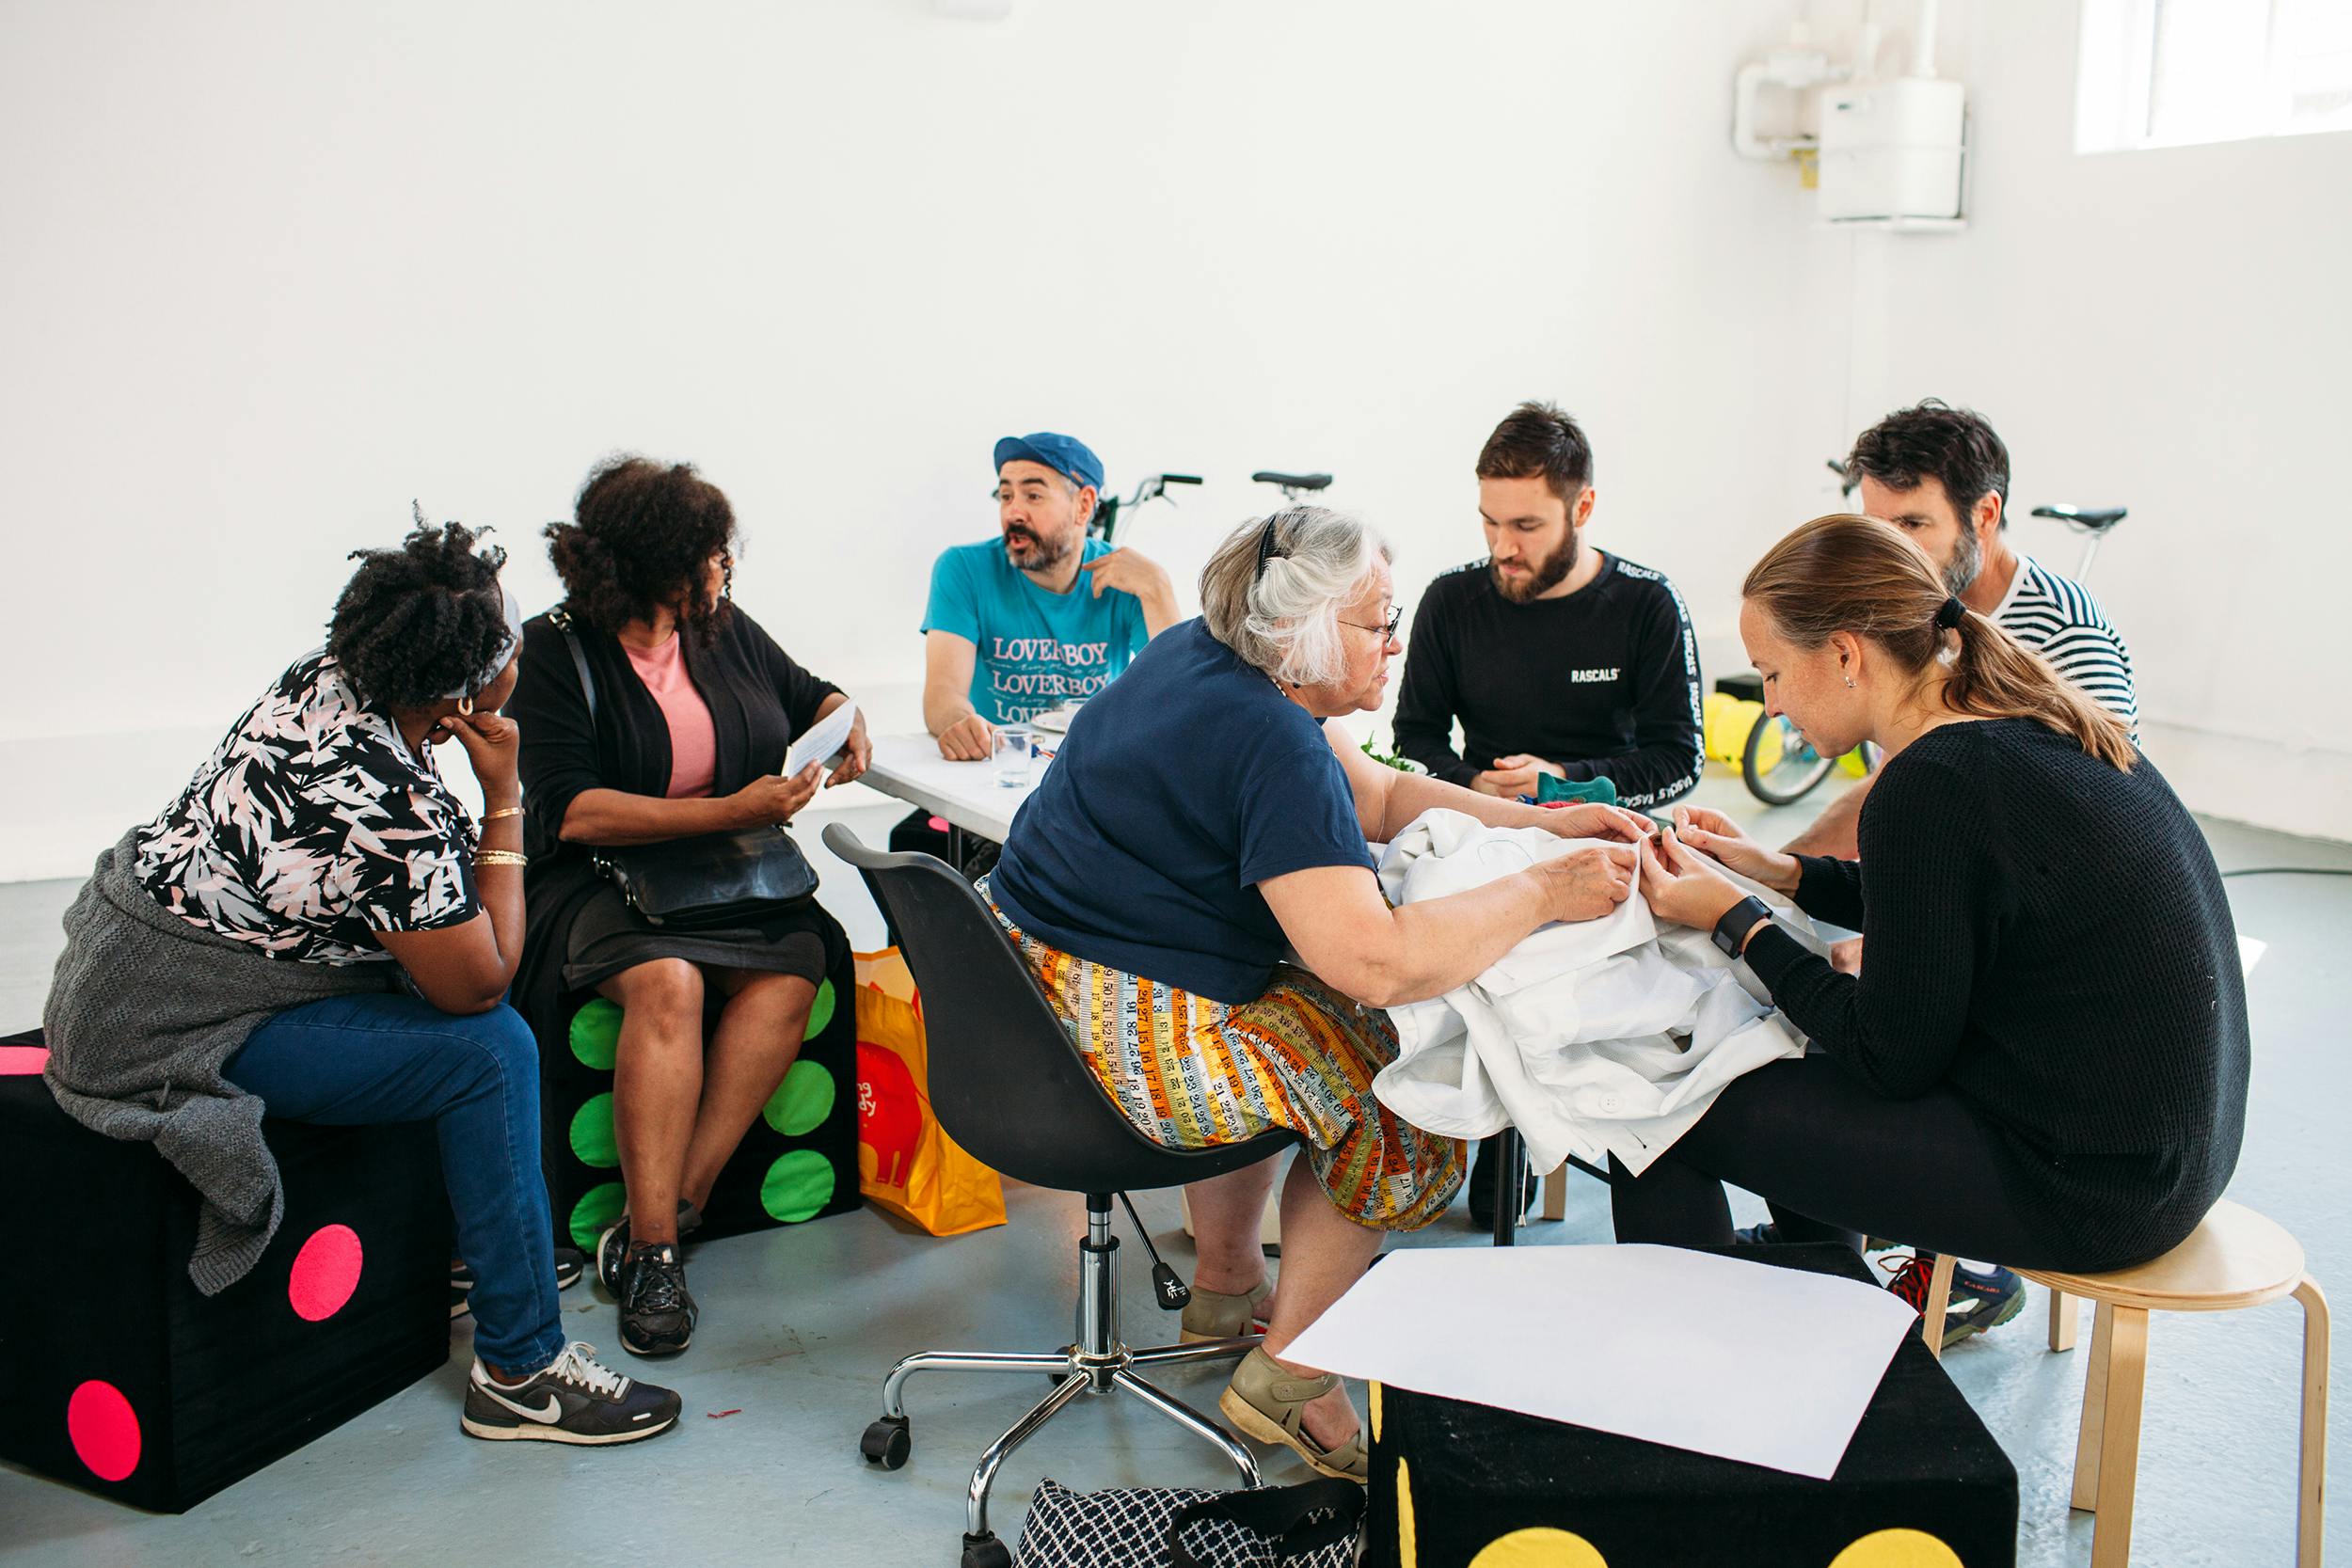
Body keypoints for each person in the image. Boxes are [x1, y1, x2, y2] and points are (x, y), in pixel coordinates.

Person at [984, 506, 1651, 1481]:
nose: (1394, 642)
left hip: (1031, 1006)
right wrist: (1545, 887)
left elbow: (1377, 799)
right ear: (1297, 631)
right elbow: (1376, 962)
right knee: (1406, 1089)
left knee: (1301, 1010)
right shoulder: (1273, 740)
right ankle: (1291, 1378)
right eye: (1377, 621)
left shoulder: (1198, 656)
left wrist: (1544, 820)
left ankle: (1225, 1286)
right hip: (1118, 1047)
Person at [42, 517, 679, 1446]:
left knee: (445, 980)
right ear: (466, 685)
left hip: (139, 972)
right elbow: (477, 986)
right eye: (507, 638)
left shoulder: (336, 675)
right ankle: (521, 1367)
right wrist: (504, 796)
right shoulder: (378, 798)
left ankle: (475, 1251)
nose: (521, 648)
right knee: (489, 1049)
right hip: (177, 1022)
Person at [1619, 515, 2246, 1314]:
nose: (1770, 706)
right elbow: (1949, 903)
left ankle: (1706, 1356)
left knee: (1657, 1104)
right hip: (2170, 1158)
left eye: (1771, 673)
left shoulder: (1932, 782)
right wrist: (1779, 871)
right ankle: (1821, 1288)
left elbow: (1887, 1056)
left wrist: (1738, 920)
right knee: (1762, 1049)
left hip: (2086, 1188)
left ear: (1846, 654)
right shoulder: (2021, 717)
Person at [507, 457, 869, 1358]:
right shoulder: (553, 651)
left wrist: (842, 714)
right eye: (711, 557)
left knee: (798, 965)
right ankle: (662, 1255)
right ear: (658, 569)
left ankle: (664, 1216)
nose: (724, 570)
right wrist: (731, 811)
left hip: (727, 872)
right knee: (668, 982)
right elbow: (569, 808)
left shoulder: (718, 628)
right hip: (598, 877)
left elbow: (804, 689)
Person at [1392, 400, 1703, 1226]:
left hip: (1608, 848)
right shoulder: (1452, 601)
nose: (1503, 546)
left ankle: (1574, 1131)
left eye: (1526, 524)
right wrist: (1473, 790)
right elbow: (1413, 738)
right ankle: (1485, 1128)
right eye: (1490, 521)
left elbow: (1679, 760)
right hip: (1479, 836)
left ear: (1584, 507)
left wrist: (1563, 782)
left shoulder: (1644, 604)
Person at [1786, 400, 2139, 863]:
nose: (1891, 550)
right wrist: (1780, 869)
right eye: (1878, 527)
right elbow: (1896, 781)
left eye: (1912, 524)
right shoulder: (1908, 611)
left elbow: (2107, 820)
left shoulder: (2066, 629)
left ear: (1985, 515)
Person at [891, 432, 1179, 868]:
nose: (1013, 512)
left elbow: (1184, 700)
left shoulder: (1126, 580)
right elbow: (943, 694)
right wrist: (958, 721)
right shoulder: (964, 570)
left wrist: (1159, 590)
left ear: (1084, 505)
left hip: (1090, 789)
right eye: (1005, 496)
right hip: (997, 785)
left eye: (1032, 494)